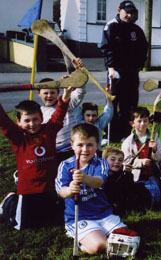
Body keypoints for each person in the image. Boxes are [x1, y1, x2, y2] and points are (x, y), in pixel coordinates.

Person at [0, 87, 72, 230]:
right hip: (28, 190)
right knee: (20, 225)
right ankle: (10, 200)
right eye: (27, 120)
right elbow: (3, 121)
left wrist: (67, 94)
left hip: (50, 187)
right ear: (18, 121)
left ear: (41, 118)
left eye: (35, 119)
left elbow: (59, 114)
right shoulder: (17, 136)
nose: (32, 124)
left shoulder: (49, 130)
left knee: (54, 221)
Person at [56, 123, 128, 255]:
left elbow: (99, 182)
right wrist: (70, 190)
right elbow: (61, 192)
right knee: (100, 245)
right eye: (80, 145)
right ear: (72, 144)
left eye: (90, 145)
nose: (85, 149)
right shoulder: (65, 165)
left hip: (104, 214)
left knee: (125, 239)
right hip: (79, 217)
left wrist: (85, 178)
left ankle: (98, 233)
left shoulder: (101, 163)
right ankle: (81, 240)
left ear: (97, 145)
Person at [100, 0, 148, 142]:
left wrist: (139, 66)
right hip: (115, 71)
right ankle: (109, 134)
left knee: (130, 103)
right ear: (119, 11)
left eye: (131, 13)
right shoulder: (111, 26)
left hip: (132, 73)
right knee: (113, 102)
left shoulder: (136, 29)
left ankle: (125, 132)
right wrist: (110, 67)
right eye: (126, 12)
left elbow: (143, 49)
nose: (128, 16)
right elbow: (106, 48)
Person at [37, 58, 86, 163]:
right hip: (52, 152)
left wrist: (79, 73)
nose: (49, 96)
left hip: (72, 149)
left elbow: (79, 93)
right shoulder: (39, 112)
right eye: (45, 93)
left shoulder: (67, 102)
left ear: (58, 92)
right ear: (39, 93)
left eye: (52, 92)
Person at [121, 107, 161, 208]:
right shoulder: (128, 141)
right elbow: (126, 160)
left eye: (145, 121)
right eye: (139, 121)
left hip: (152, 173)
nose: (142, 124)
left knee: (157, 192)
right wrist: (141, 162)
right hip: (136, 175)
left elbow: (159, 157)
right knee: (136, 193)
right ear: (132, 124)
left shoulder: (154, 137)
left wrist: (154, 150)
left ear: (149, 122)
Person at [103, 147, 151, 214]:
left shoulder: (121, 173)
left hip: (120, 200)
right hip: (108, 200)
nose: (117, 162)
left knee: (139, 187)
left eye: (120, 160)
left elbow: (129, 187)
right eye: (113, 159)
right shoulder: (102, 175)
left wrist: (128, 174)